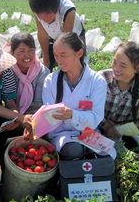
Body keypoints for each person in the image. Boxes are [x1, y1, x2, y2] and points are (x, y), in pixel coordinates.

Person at [41, 32, 107, 160]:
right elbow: (48, 117)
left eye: (63, 55)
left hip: (88, 132)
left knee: (107, 154)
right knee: (73, 150)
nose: (59, 60)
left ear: (79, 53)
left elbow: (96, 116)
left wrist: (72, 115)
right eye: (56, 55)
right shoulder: (51, 80)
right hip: (62, 134)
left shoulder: (97, 81)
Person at [98, 41, 139, 151]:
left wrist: (118, 130)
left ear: (137, 68)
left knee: (135, 149)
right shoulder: (102, 78)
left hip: (123, 132)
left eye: (123, 65)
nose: (116, 68)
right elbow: (89, 106)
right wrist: (106, 125)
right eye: (115, 62)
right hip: (96, 125)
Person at [28, 0, 85, 71]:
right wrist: (46, 58)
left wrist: (62, 63)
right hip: (53, 34)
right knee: (45, 65)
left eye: (48, 14)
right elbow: (42, 34)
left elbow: (66, 41)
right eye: (41, 16)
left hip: (73, 35)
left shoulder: (68, 10)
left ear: (56, 8)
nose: (45, 19)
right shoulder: (37, 9)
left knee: (74, 64)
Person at [10, 32, 50, 114]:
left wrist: (25, 119)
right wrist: (17, 117)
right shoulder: (8, 71)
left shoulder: (43, 72)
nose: (27, 55)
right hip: (12, 113)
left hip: (36, 113)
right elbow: (8, 99)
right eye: (22, 51)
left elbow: (38, 103)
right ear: (12, 53)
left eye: (31, 50)